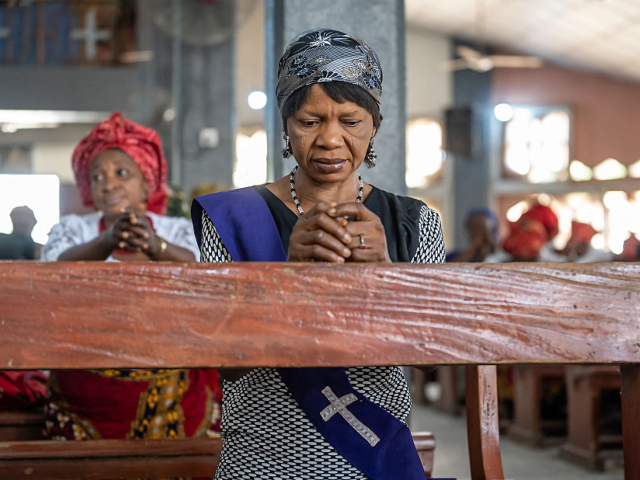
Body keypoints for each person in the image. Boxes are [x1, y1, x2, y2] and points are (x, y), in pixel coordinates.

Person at [191, 29, 445, 480]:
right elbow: (226, 365)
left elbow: (436, 356)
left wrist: (386, 276)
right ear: (287, 125)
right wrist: (286, 279)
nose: (330, 139)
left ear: (375, 125)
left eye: (350, 122)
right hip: (261, 463)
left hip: (372, 459)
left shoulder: (414, 222)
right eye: (311, 121)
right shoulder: (231, 218)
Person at [41, 112, 221, 441]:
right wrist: (107, 240)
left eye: (121, 173)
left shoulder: (176, 230)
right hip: (87, 384)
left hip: (171, 378)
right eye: (97, 177)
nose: (108, 184)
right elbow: (53, 270)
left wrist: (155, 246)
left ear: (146, 182)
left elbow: (205, 274)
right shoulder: (73, 229)